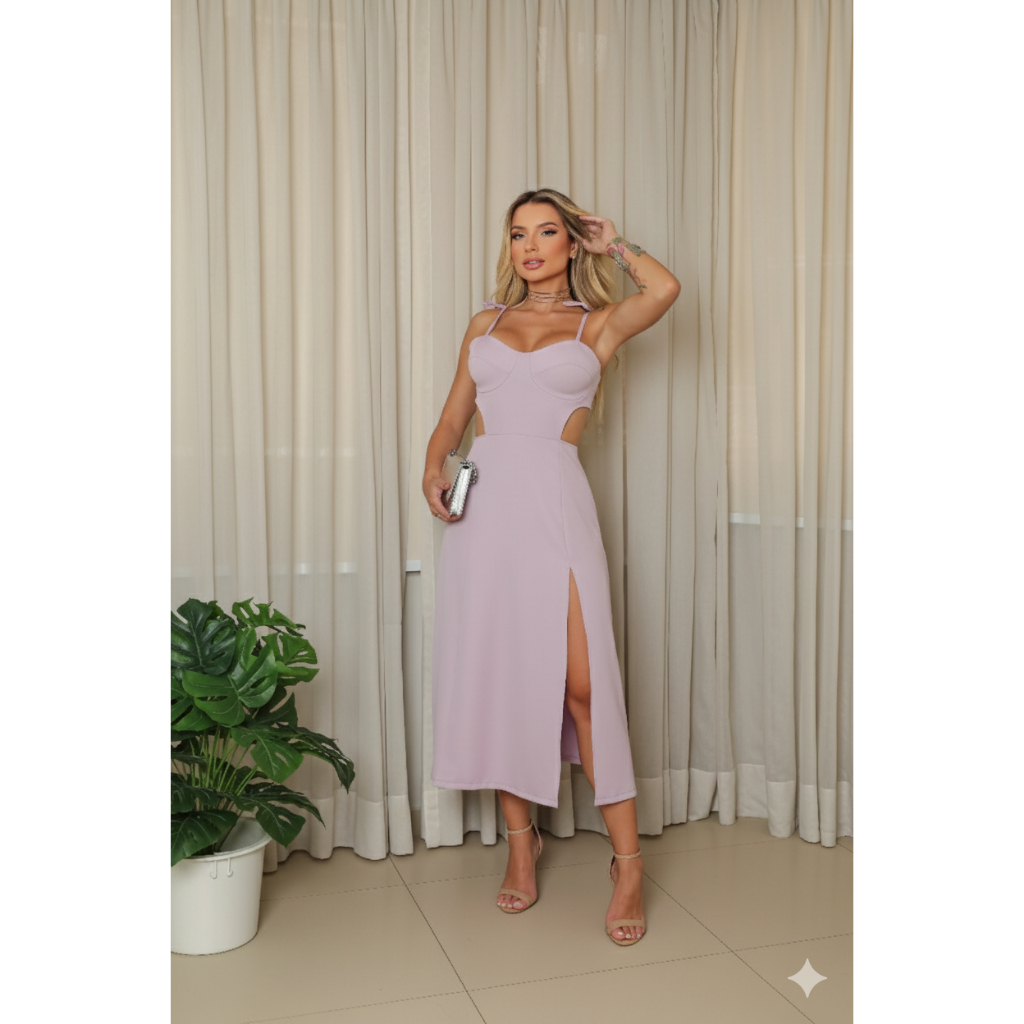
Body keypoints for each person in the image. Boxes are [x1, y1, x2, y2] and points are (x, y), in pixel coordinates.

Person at [422, 188, 680, 946]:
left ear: (571, 243)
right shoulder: (485, 323)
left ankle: (627, 863)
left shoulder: (596, 324)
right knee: (508, 676)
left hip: (556, 507)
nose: (530, 247)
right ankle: (521, 845)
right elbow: (453, 416)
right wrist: (432, 465)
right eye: (517, 235)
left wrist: (615, 244)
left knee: (583, 685)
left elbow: (664, 290)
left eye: (545, 232)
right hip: (486, 514)